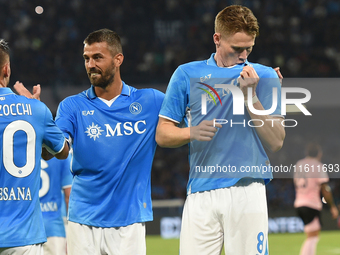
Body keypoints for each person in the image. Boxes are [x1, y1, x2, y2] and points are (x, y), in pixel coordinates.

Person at [15, 29, 164, 255]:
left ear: (118, 59)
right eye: (86, 58)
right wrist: (39, 121)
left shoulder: (150, 101)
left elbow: (185, 118)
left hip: (129, 220)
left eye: (97, 57)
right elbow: (56, 152)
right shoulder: (71, 106)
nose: (90, 64)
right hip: (82, 220)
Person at [156, 5, 285, 255]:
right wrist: (190, 132)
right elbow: (162, 133)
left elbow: (277, 140)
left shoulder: (265, 76)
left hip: (247, 190)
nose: (243, 55)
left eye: (249, 48)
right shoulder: (186, 74)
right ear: (217, 38)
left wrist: (250, 97)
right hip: (201, 192)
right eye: (237, 49)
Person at [0, 39, 69, 255]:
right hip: (23, 238)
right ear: (6, 69)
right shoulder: (35, 110)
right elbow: (62, 151)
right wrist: (37, 126)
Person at [294, 142, 339, 255]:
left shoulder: (299, 164)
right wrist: (332, 206)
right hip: (311, 203)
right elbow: (325, 188)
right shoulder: (318, 165)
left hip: (299, 202)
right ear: (319, 154)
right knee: (312, 237)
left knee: (310, 235)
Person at [39, 155, 73, 255]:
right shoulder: (62, 155)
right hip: (54, 228)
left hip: (28, 228)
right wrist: (72, 237)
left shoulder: (22, 151)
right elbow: (69, 195)